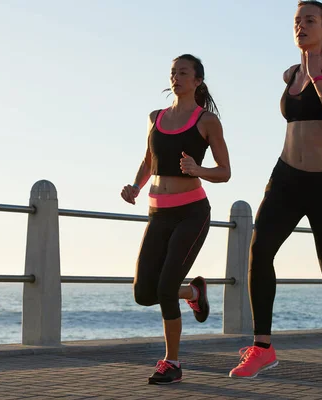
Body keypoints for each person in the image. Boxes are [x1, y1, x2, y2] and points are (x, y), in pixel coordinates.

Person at [229, 1, 322, 379]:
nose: (301, 26)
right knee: (259, 252)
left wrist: (318, 80)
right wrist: (300, 75)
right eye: (297, 21)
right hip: (284, 179)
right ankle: (262, 346)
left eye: (310, 20)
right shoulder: (292, 72)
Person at [121, 54, 231, 385]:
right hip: (159, 213)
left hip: (192, 213)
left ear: (197, 80)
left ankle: (172, 362)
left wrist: (199, 170)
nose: (176, 77)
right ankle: (194, 294)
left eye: (183, 73)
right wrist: (135, 187)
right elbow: (148, 160)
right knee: (143, 292)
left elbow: (225, 171)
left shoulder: (207, 121)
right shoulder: (155, 117)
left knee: (166, 287)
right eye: (173, 72)